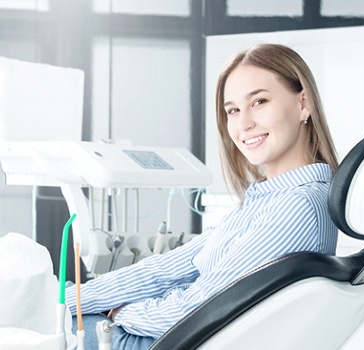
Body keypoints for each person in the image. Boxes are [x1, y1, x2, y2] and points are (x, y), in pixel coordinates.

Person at [65, 43, 339, 349]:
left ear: (304, 103)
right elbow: (167, 269)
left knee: (52, 325)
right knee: (56, 307)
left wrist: (119, 312)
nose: (243, 123)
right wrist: (69, 298)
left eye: (259, 101)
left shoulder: (297, 207)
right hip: (178, 334)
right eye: (233, 110)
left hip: (178, 340)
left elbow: (198, 307)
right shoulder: (268, 199)